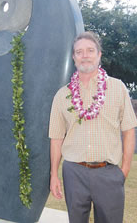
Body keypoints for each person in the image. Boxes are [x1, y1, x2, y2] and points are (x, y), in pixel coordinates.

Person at [49, 31, 137, 223]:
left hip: (109, 173)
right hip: (74, 173)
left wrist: (125, 169)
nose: (85, 55)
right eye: (79, 52)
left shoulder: (118, 88)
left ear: (99, 55)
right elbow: (56, 138)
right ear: (73, 57)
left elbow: (129, 130)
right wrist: (54, 175)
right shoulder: (62, 95)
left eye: (90, 50)